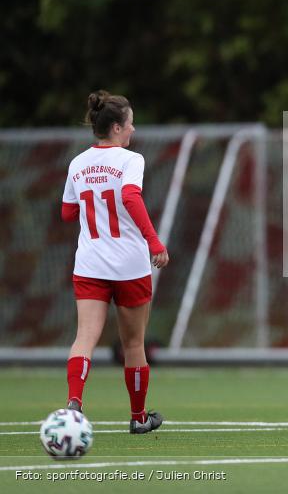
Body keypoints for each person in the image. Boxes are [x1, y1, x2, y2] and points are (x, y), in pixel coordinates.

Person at [61, 91, 168, 434]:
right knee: (133, 344)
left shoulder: (77, 163)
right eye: (131, 123)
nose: (133, 130)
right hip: (129, 265)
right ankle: (138, 419)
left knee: (84, 338)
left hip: (90, 263)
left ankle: (74, 404)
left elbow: (67, 212)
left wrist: (92, 205)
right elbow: (129, 196)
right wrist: (153, 240)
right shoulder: (129, 160)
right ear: (118, 127)